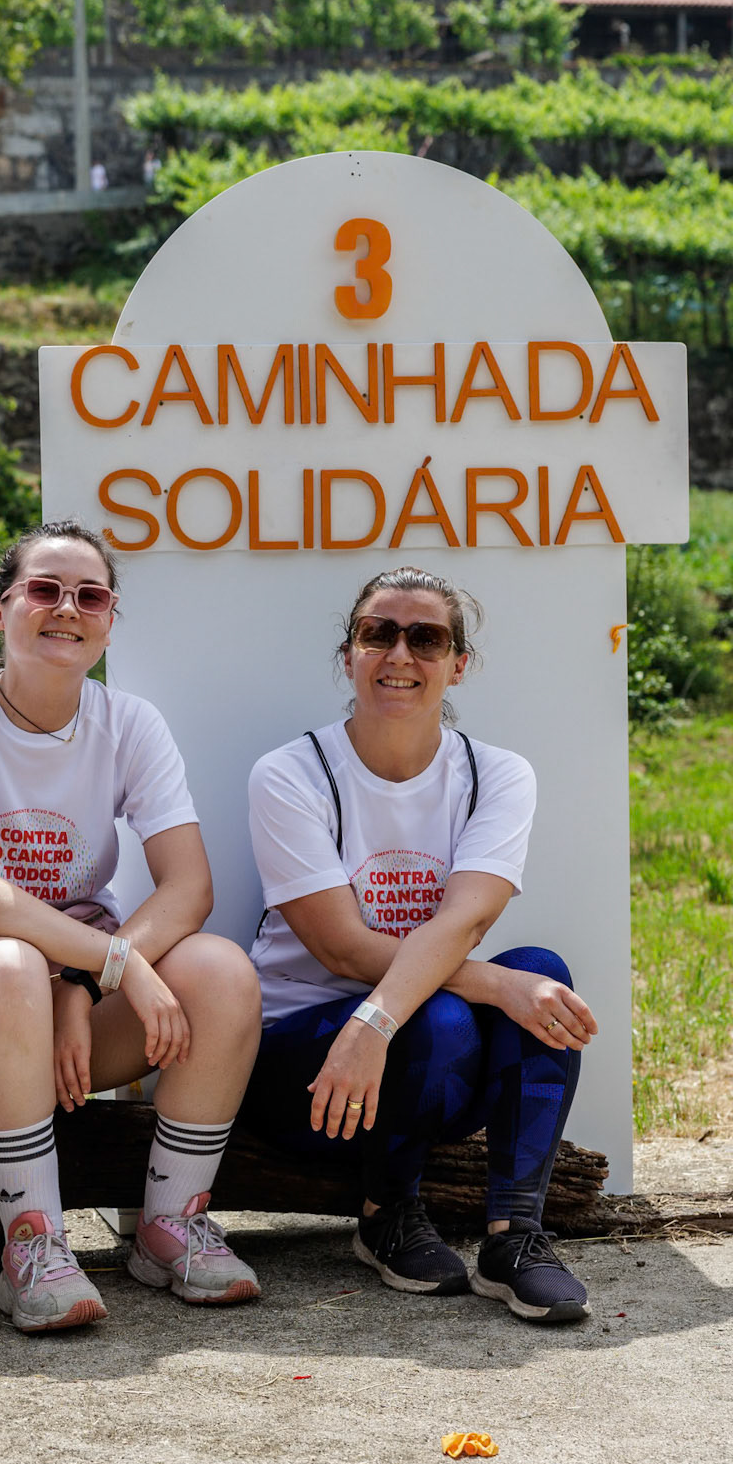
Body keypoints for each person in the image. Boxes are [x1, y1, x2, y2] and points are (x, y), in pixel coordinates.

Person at [0, 519, 263, 1333]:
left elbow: (189, 886)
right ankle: (34, 1245)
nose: (67, 608)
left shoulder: (129, 724)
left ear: (108, 620)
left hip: (74, 993)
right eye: (44, 589)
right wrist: (109, 965)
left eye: (89, 596)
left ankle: (171, 1225)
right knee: (7, 966)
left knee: (220, 972)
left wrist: (85, 980)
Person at [243, 566, 596, 1324]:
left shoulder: (496, 774)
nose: (399, 654)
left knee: (540, 973)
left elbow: (464, 920)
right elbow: (341, 949)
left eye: (426, 639)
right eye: (378, 633)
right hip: (304, 1071)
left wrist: (481, 991)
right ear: (349, 654)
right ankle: (386, 1215)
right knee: (451, 1008)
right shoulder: (291, 774)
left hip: (421, 1067)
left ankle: (515, 1239)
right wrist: (392, 1017)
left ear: (458, 664)